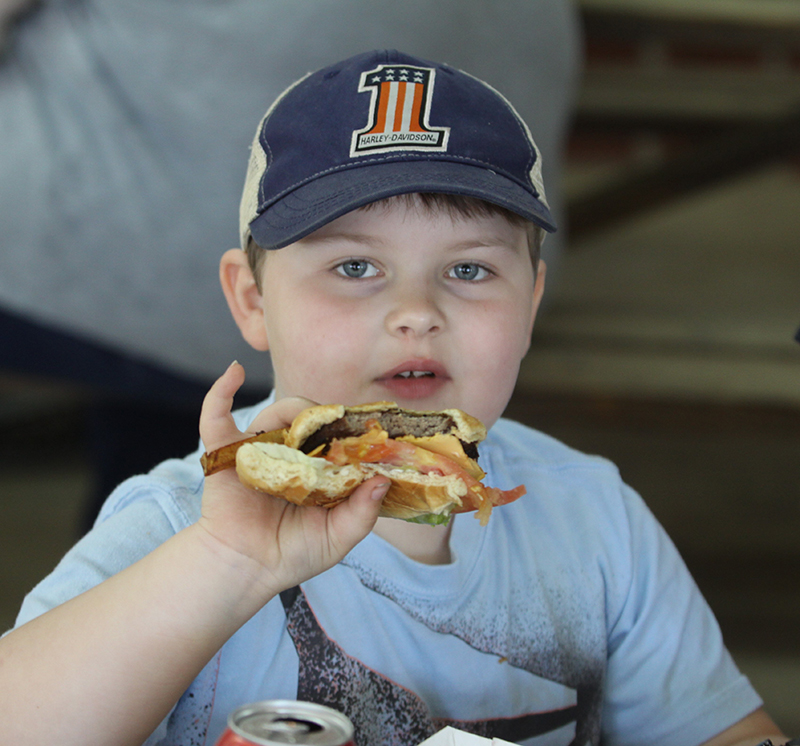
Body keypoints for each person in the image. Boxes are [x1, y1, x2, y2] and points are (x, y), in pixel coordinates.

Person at [0, 50, 786, 746]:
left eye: (470, 270)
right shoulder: (186, 521)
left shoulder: (594, 517)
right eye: (354, 268)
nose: (417, 310)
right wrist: (226, 563)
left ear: (532, 304)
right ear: (251, 301)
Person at [0, 0, 581, 530]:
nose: (415, 313)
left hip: (146, 285)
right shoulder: (586, 505)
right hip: (386, 303)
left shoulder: (594, 509)